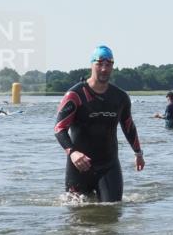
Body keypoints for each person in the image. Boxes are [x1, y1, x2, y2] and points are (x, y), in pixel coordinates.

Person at [54, 45, 144, 202]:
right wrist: (73, 152)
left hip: (109, 165)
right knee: (76, 215)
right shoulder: (75, 95)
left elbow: (128, 126)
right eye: (99, 64)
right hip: (79, 166)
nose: (104, 69)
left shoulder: (120, 97)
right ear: (91, 64)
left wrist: (138, 153)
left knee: (113, 210)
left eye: (108, 64)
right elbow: (59, 128)